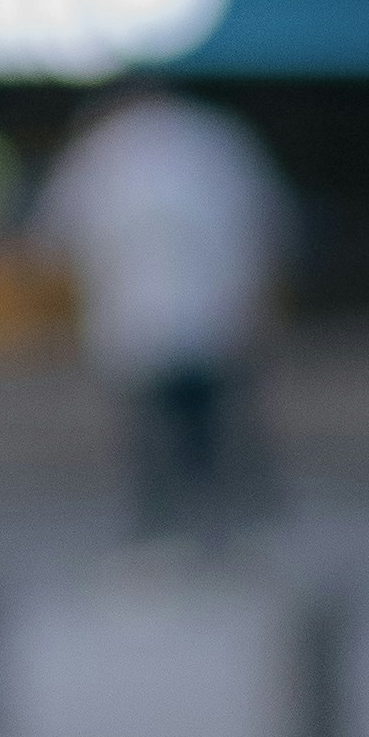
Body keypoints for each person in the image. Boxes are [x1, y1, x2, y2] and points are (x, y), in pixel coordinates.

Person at [35, 75, 292, 537]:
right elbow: (268, 226)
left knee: (153, 430)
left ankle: (166, 525)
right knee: (209, 422)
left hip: (137, 321)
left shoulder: (101, 149)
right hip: (212, 315)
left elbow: (55, 241)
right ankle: (225, 522)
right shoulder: (216, 139)